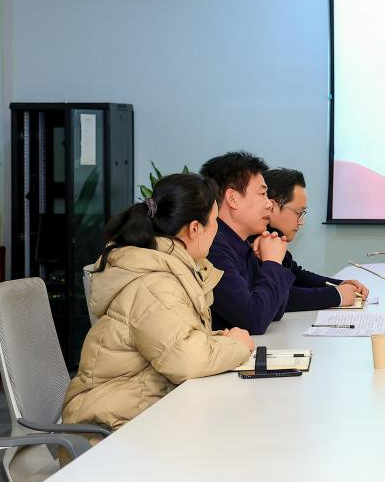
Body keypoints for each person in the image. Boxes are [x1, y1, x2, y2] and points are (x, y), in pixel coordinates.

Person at [62, 173, 255, 431]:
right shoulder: (155, 284)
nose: (217, 230)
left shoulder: (163, 267)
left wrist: (222, 340)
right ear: (195, 229)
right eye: (215, 221)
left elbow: (176, 340)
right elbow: (185, 360)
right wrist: (237, 346)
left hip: (135, 411)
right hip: (107, 427)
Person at [200, 151, 295, 334]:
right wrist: (272, 262)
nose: (270, 204)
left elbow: (275, 312)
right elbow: (254, 320)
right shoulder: (213, 248)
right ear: (233, 199)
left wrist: (269, 260)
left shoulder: (241, 243)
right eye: (263, 194)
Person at [264, 168, 368, 311]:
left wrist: (340, 285)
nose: (301, 222)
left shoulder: (273, 238)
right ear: (272, 206)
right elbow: (278, 297)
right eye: (298, 212)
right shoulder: (255, 242)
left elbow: (296, 275)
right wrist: (336, 295)